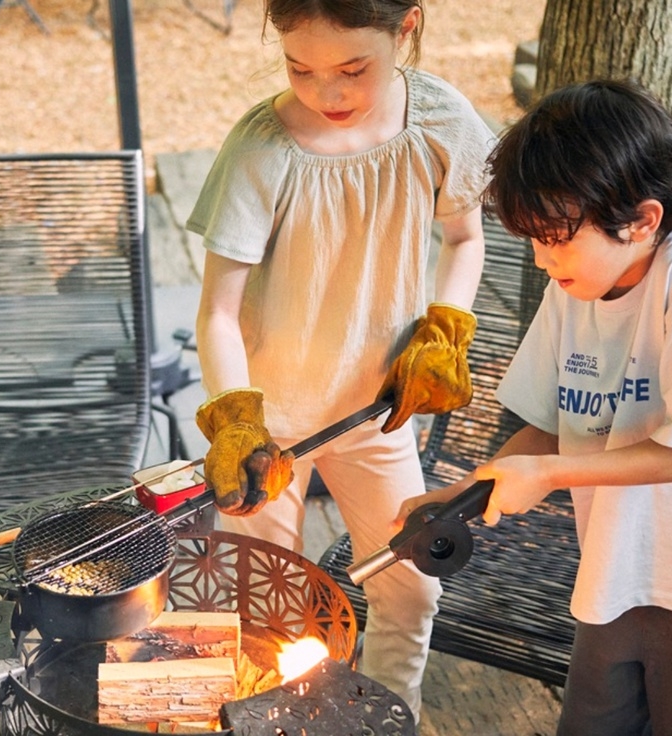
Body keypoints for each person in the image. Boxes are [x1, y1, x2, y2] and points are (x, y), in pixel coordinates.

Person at [398, 79, 672, 735]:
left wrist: (550, 474)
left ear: (642, 221)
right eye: (533, 239)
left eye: (556, 238)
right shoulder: (575, 284)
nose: (541, 259)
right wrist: (462, 494)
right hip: (615, 571)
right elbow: (548, 426)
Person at [187, 0, 494, 723]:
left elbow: (465, 239)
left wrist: (445, 328)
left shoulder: (440, 122)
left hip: (376, 413)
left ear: (405, 28)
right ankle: (274, 722)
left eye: (353, 70)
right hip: (268, 433)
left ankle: (386, 718)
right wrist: (236, 425)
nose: (327, 93)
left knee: (411, 586)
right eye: (300, 69)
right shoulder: (262, 149)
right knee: (264, 606)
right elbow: (218, 313)